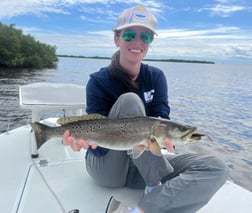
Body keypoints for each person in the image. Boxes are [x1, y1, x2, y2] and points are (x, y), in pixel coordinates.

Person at [63, 5, 228, 213]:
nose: (138, 42)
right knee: (130, 101)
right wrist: (86, 140)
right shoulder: (98, 81)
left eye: (146, 37)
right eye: (130, 35)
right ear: (117, 39)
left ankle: (143, 208)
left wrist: (166, 141)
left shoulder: (156, 77)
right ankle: (155, 184)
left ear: (150, 43)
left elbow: (162, 118)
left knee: (216, 167)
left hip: (142, 164)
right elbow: (101, 147)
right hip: (107, 168)